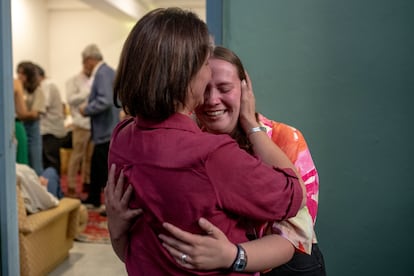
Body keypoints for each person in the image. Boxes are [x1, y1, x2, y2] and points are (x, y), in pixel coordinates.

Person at [107, 8, 305, 276]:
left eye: (224, 88)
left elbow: (135, 245)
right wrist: (252, 124)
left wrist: (115, 229)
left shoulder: (122, 137)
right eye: (204, 66)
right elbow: (293, 195)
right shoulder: (211, 154)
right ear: (186, 76)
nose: (212, 95)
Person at [79, 44, 118, 207]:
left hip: (104, 128)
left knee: (101, 167)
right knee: (100, 166)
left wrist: (86, 109)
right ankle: (96, 198)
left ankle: (99, 200)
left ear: (89, 60)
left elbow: (105, 101)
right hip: (111, 126)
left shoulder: (101, 74)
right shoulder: (110, 71)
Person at [65, 66, 94, 197]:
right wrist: (87, 93)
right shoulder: (73, 80)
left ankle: (86, 184)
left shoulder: (93, 79)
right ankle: (71, 186)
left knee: (89, 157)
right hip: (80, 123)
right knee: (77, 156)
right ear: (86, 62)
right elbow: (70, 99)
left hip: (93, 124)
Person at [36, 65, 67, 175]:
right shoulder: (49, 84)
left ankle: (54, 189)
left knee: (51, 161)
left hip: (50, 129)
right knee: (51, 160)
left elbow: (43, 106)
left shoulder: (46, 85)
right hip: (51, 128)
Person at [17, 61, 46, 175]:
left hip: (33, 132)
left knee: (36, 167)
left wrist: (21, 114)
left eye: (22, 74)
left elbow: (35, 114)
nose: (19, 76)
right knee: (23, 165)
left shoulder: (38, 91)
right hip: (21, 129)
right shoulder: (19, 89)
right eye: (18, 73)